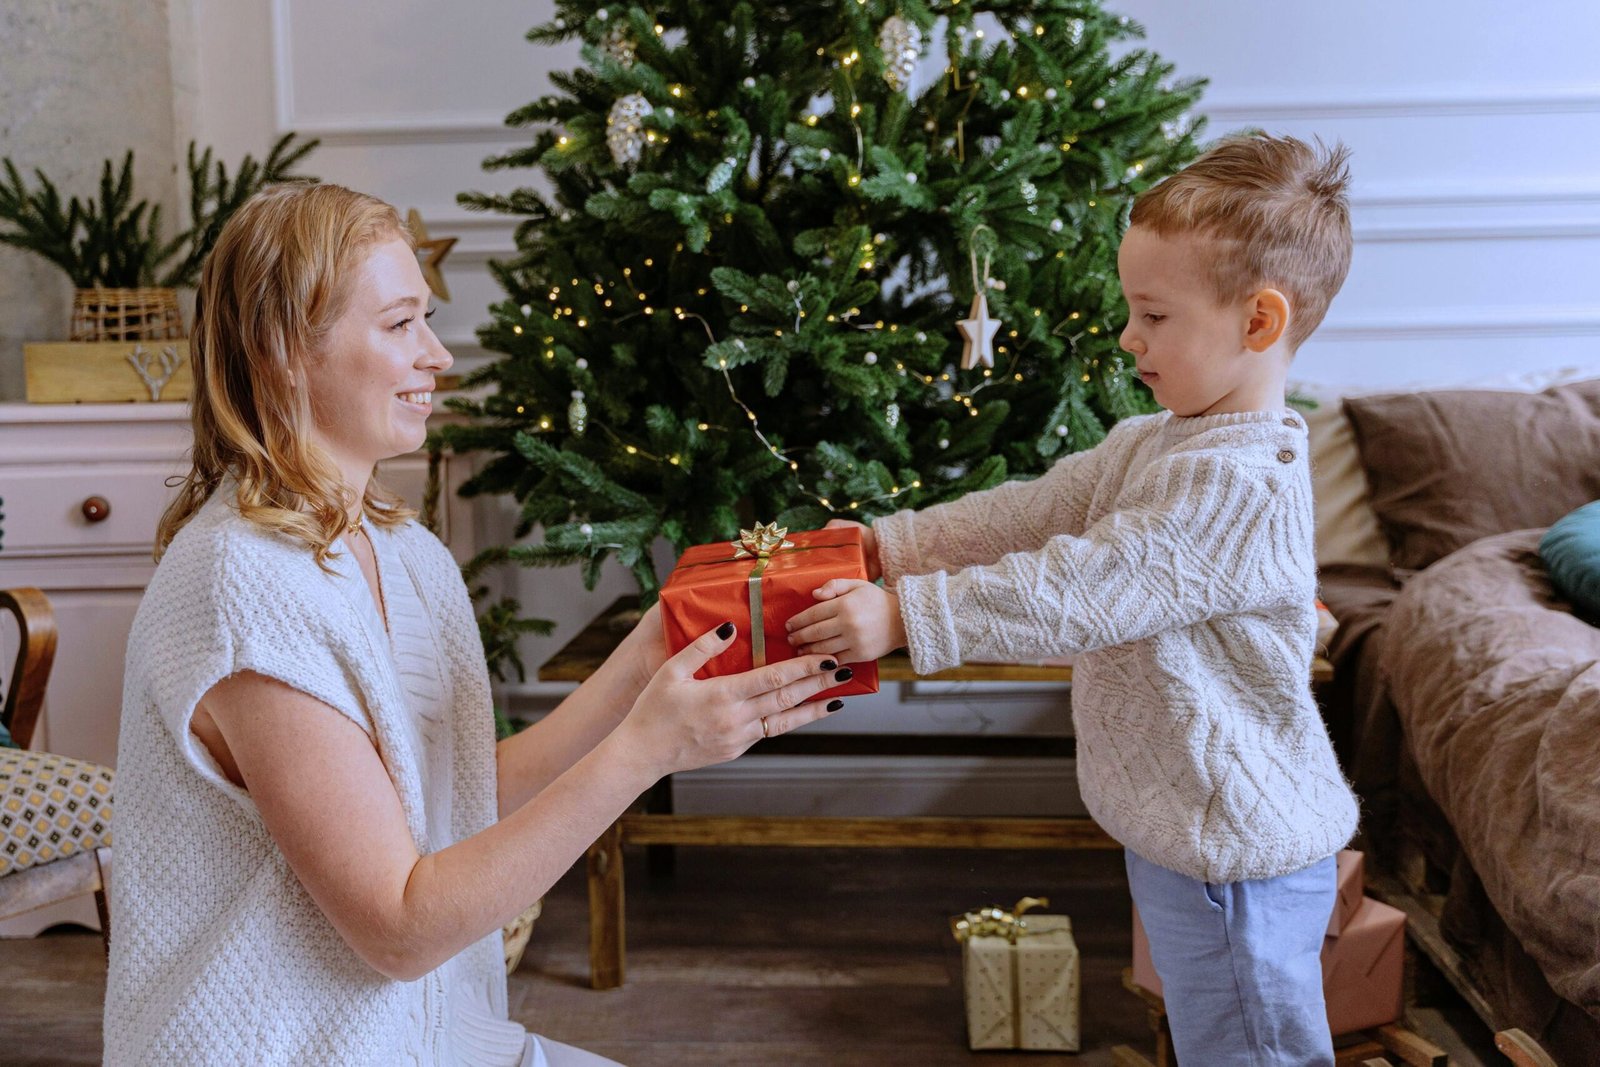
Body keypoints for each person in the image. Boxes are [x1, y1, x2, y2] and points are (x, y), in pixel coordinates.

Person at [104, 183, 850, 1066]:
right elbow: (401, 930)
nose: (440, 354)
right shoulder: (243, 586)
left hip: (416, 1041)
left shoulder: (402, 550)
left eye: (429, 318)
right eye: (399, 324)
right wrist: (644, 751)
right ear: (281, 352)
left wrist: (645, 652)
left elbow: (451, 794)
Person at [788, 133, 1361, 1065]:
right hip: (1185, 833)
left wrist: (905, 616)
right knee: (1214, 1037)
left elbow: (1083, 587)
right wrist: (889, 542)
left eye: (1155, 315)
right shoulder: (1152, 440)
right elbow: (1030, 513)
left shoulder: (1240, 483)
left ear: (1259, 322)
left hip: (1238, 858)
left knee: (1253, 1048)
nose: (1130, 337)